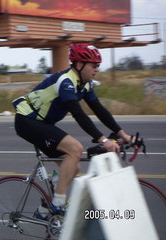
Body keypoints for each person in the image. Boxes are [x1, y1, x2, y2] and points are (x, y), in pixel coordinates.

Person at [12, 43, 133, 219]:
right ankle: (57, 204)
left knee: (73, 166)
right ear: (79, 65)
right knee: (75, 148)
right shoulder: (66, 82)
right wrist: (103, 140)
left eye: (98, 65)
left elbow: (99, 110)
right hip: (27, 120)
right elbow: (79, 114)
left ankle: (45, 210)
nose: (96, 69)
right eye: (93, 65)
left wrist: (123, 134)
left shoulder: (85, 84)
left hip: (42, 123)